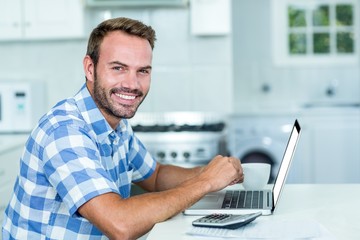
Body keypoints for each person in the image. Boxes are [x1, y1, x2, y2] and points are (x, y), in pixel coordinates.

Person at [2, 17, 244, 240]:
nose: (132, 84)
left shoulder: (116, 125)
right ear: (90, 69)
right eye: (118, 68)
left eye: (143, 71)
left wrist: (214, 172)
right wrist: (206, 183)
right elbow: (120, 224)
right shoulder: (65, 131)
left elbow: (157, 176)